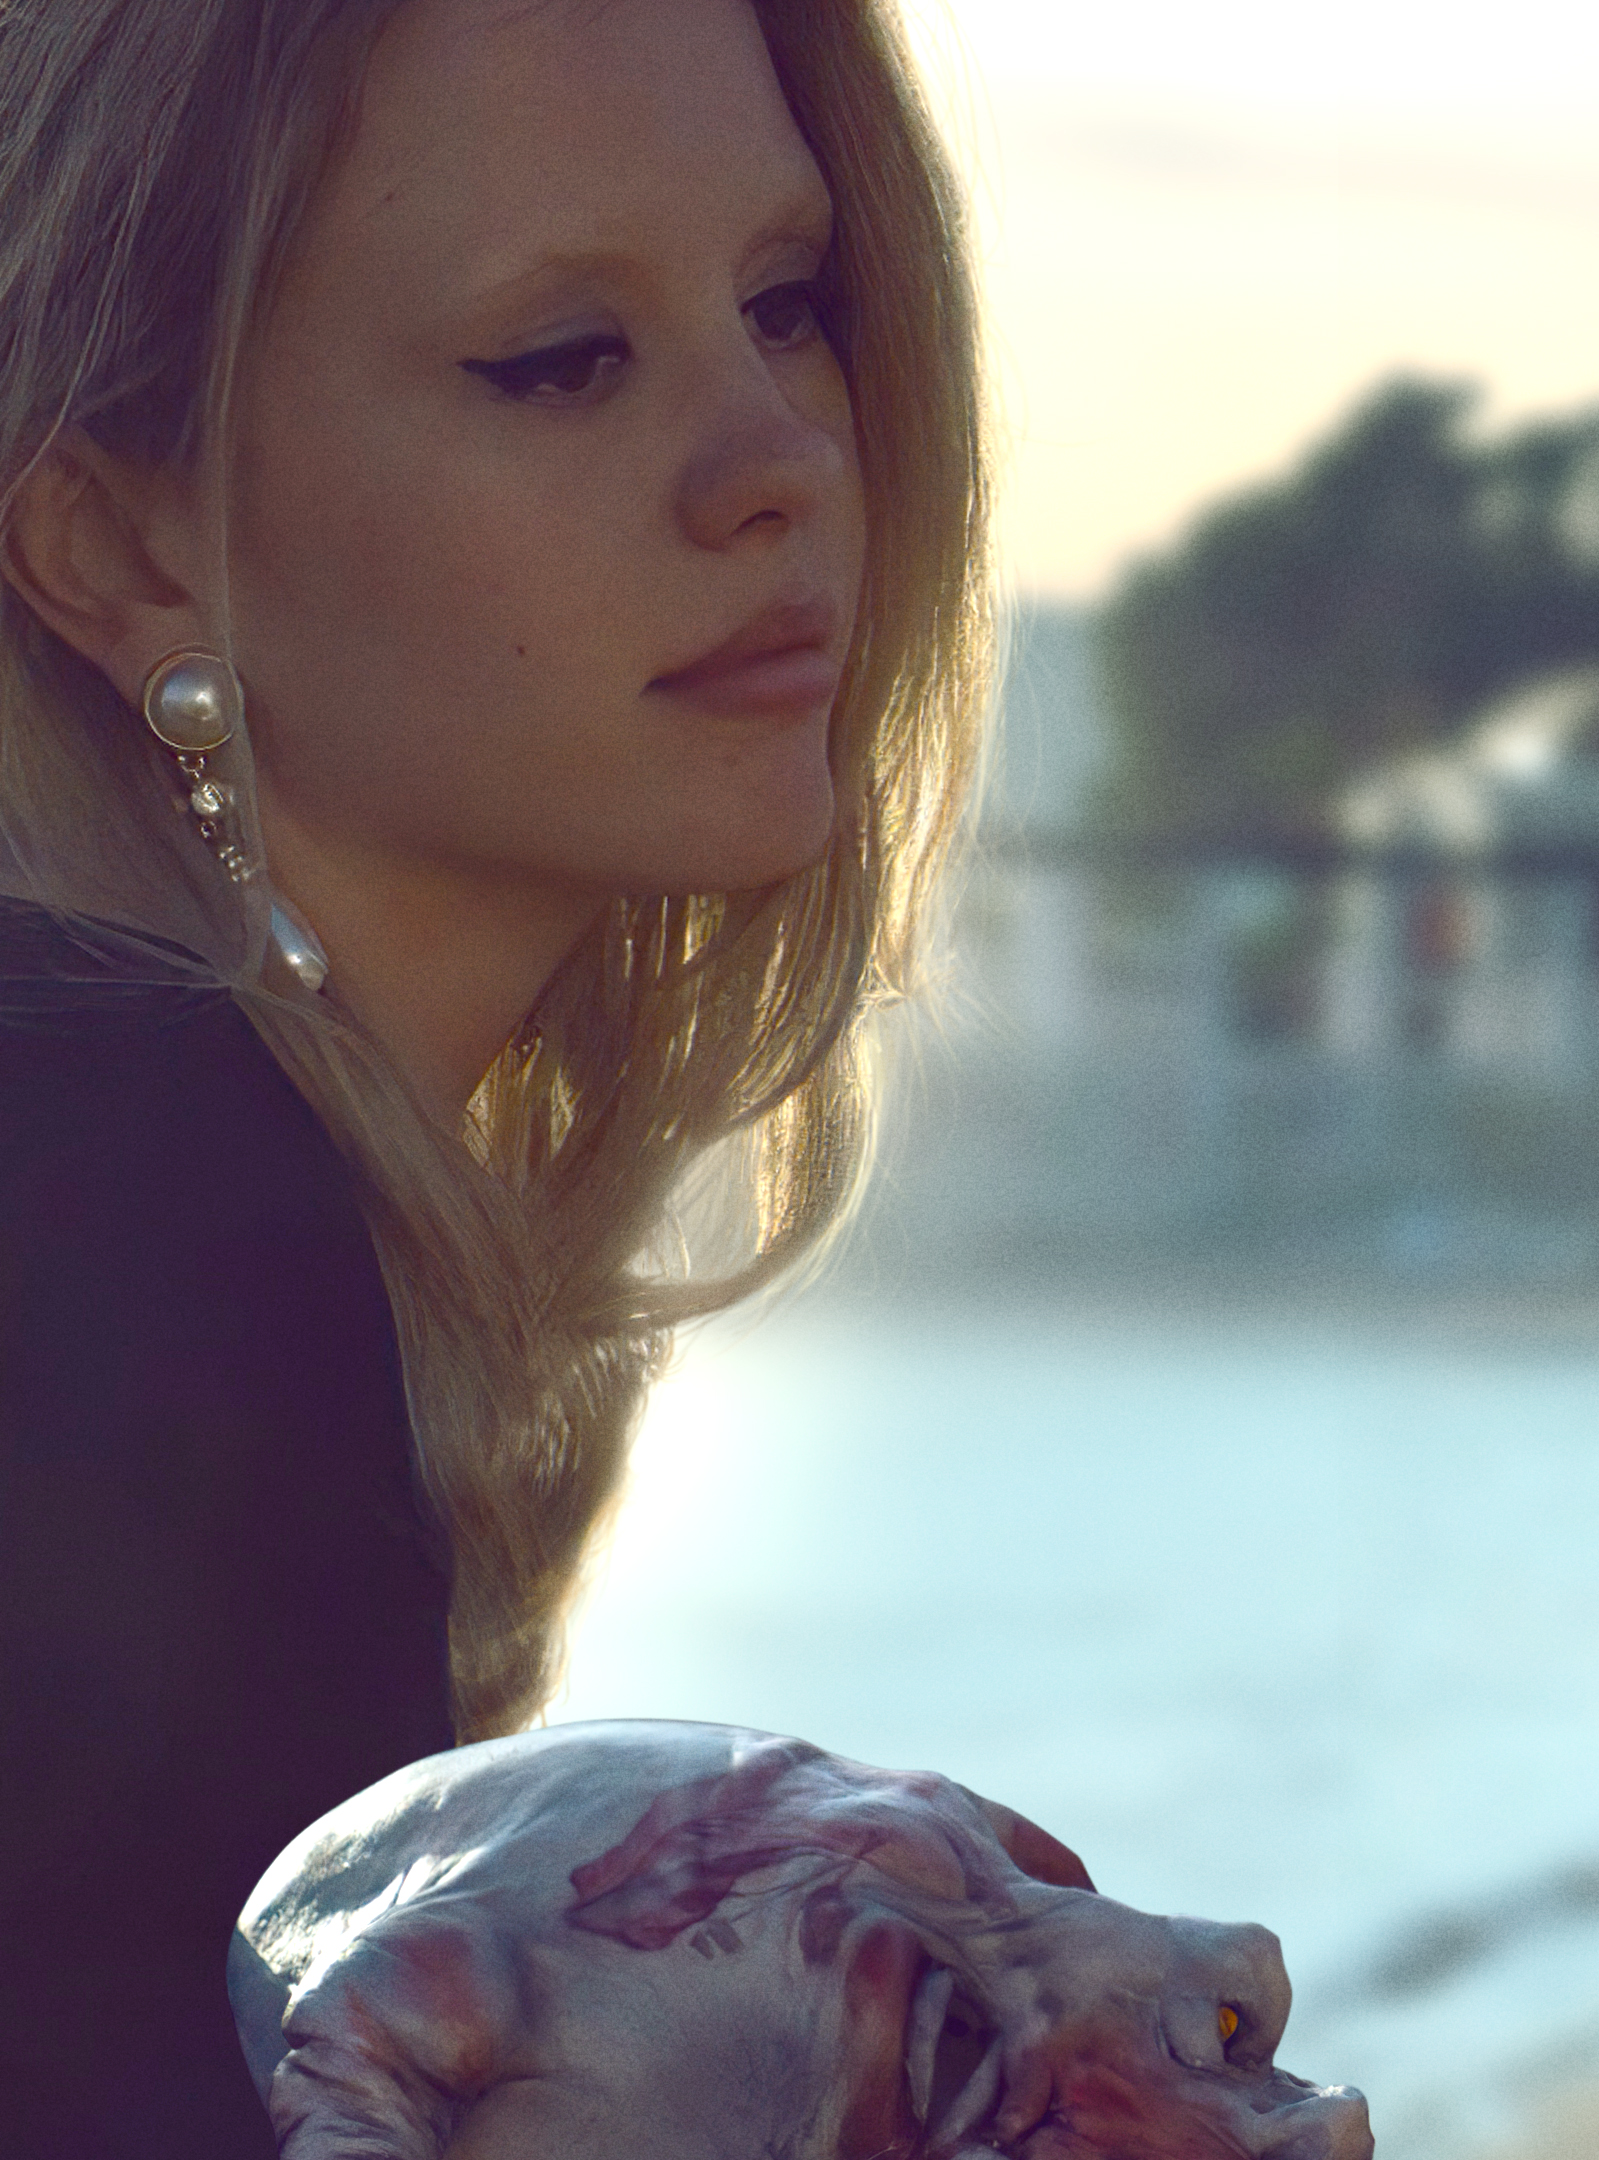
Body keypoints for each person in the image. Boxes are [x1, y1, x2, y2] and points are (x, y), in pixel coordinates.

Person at [0, 0, 985, 2145]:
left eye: (786, 304)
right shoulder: (144, 1199)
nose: (780, 465)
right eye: (559, 359)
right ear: (118, 545)